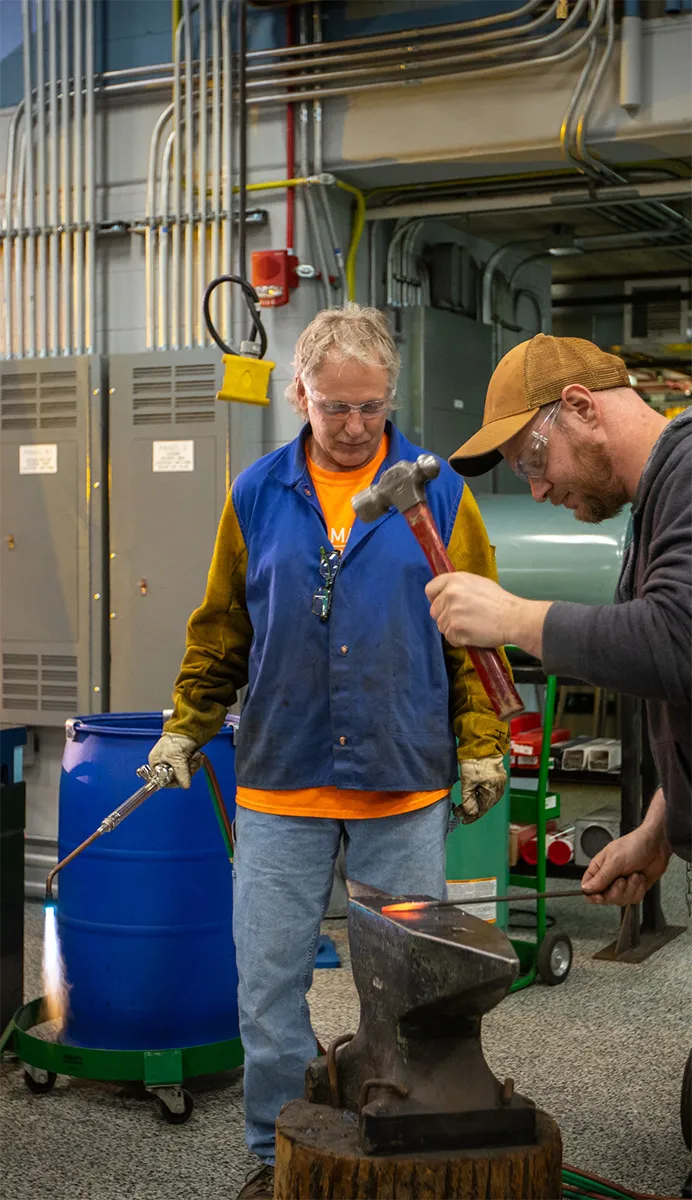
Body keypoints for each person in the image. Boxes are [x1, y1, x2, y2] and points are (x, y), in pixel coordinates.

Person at [148, 304, 510, 1199]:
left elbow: (478, 635)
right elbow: (222, 627)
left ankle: (393, 1136)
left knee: (408, 992)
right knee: (268, 991)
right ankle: (280, 1160)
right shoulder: (254, 495)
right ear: (297, 393)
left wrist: (482, 745)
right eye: (333, 407)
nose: (354, 428)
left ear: (391, 398)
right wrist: (186, 722)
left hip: (400, 776)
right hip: (281, 780)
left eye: (372, 408)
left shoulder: (442, 495)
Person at [426, 332, 692, 899]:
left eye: (533, 460)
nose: (539, 489)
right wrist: (659, 830)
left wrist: (514, 618)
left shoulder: (689, 475)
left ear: (580, 406)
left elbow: (677, 641)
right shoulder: (655, 502)